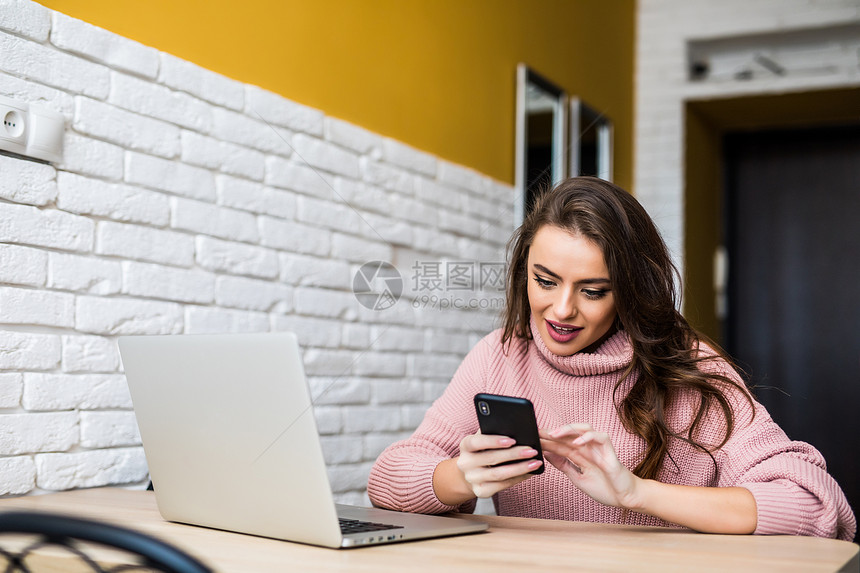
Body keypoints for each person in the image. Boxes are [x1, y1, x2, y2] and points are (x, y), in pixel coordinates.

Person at [367, 176, 856, 541]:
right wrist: (459, 477)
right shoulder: (501, 354)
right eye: (545, 280)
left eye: (594, 291)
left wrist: (634, 493)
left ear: (629, 292)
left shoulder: (690, 367)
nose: (561, 310)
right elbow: (387, 480)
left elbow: (816, 506)